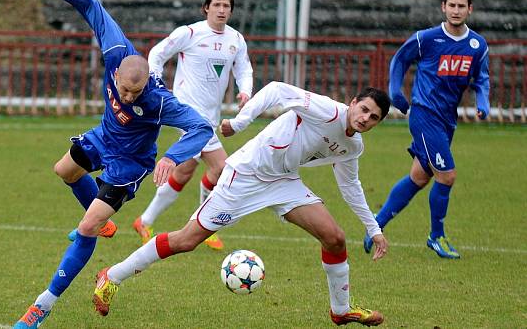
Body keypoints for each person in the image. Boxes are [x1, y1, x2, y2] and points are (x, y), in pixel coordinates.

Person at [92, 82, 392, 326]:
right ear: (353, 103)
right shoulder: (327, 110)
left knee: (335, 238)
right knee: (186, 240)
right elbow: (275, 89)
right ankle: (112, 276)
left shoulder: (354, 145)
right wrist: (238, 123)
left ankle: (341, 311)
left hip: (284, 182)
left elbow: (350, 186)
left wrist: (373, 229)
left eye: (373, 117)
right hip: (245, 176)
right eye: (363, 109)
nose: (365, 118)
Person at [12, 0, 213, 328]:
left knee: (86, 226)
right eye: (124, 90)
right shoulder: (115, 50)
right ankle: (102, 223)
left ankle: (42, 306)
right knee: (64, 171)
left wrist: (172, 156)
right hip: (103, 137)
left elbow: (201, 128)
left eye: (136, 93)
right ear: (116, 72)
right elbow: (90, 4)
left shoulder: (159, 101)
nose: (129, 97)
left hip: (129, 164)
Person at [363, 0, 489, 259]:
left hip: (447, 119)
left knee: (419, 177)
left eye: (461, 6)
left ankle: (376, 222)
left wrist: (483, 100)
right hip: (424, 115)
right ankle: (436, 236)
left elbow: (481, 77)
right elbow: (399, 60)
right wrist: (396, 92)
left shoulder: (477, 44)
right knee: (447, 176)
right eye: (451, 5)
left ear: (470, 9)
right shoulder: (427, 38)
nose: (456, 11)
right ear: (443, 7)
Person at [132, 0, 254, 251]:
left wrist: (245, 91)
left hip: (211, 116)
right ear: (206, 8)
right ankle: (204, 225)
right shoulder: (190, 33)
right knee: (221, 169)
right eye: (217, 5)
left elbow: (244, 68)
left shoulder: (236, 39)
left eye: (226, 6)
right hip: (188, 114)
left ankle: (145, 220)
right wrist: (156, 81)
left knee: (185, 170)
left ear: (231, 11)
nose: (222, 10)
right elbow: (157, 53)